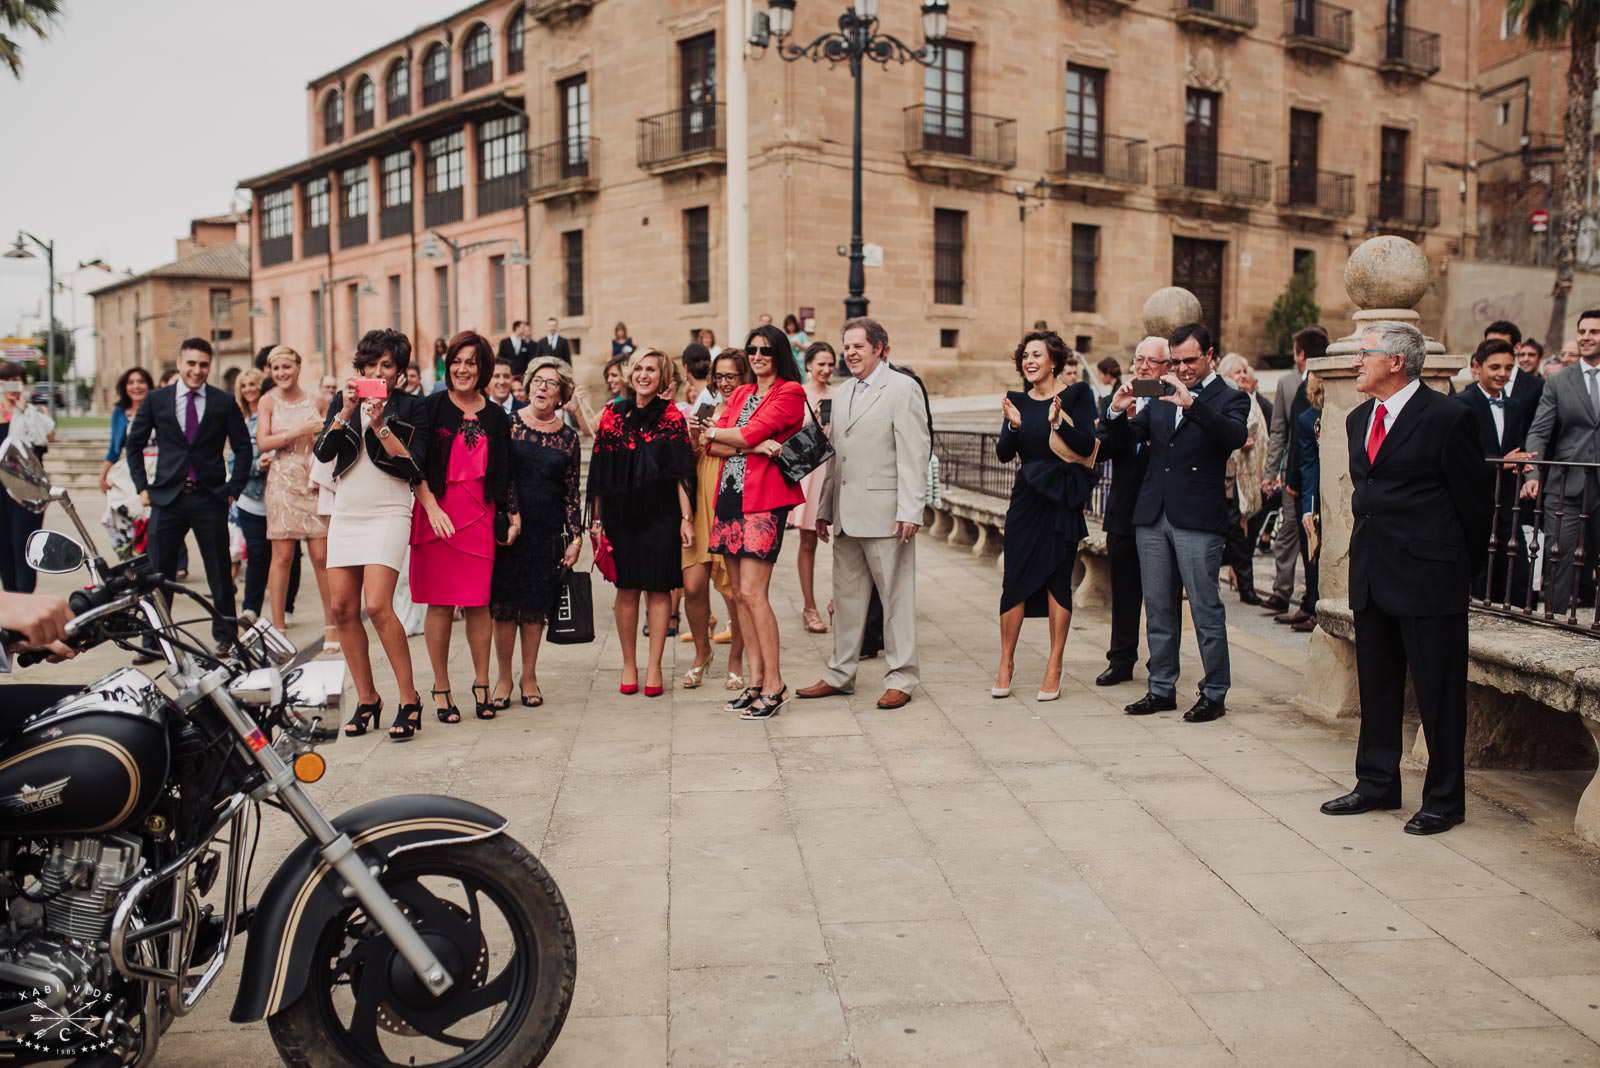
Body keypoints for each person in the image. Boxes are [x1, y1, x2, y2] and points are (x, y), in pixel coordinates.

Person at [1321, 321, 1490, 835]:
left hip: (1429, 578)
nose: (1356, 361)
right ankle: (1376, 783)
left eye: (1364, 353)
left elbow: (1474, 504)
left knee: (1438, 694)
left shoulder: (1448, 418)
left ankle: (1444, 799)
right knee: (1376, 686)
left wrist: (1459, 574)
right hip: (1373, 572)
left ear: (1396, 361)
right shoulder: (1357, 419)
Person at [1103, 322, 1250, 722]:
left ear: (1210, 355)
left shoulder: (1229, 396)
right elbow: (1128, 435)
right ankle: (1161, 688)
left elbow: (1234, 436)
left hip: (1198, 519)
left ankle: (1214, 692)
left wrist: (1191, 404)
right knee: (1159, 608)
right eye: (1177, 361)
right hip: (1152, 514)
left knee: (1205, 609)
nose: (1182, 368)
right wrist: (1116, 410)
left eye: (1190, 360)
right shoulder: (1159, 391)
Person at [797, 318, 931, 711]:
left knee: (896, 599)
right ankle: (840, 673)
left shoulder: (902, 389)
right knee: (847, 597)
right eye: (847, 346)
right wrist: (823, 508)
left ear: (880, 349)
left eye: (859, 346)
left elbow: (914, 452)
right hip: (845, 513)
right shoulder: (840, 395)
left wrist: (911, 509)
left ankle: (902, 677)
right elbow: (834, 456)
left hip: (888, 514)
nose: (851, 353)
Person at [315, 328, 429, 741]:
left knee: (379, 605)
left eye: (387, 365)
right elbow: (323, 454)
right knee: (343, 607)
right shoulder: (341, 401)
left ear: (399, 372)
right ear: (359, 367)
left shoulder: (413, 407)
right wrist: (346, 412)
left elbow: (414, 465)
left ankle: (409, 698)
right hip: (348, 509)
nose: (377, 371)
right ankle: (367, 699)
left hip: (389, 510)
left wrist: (380, 424)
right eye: (370, 364)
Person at [697, 323, 806, 719]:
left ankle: (775, 685)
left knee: (755, 593)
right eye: (752, 351)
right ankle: (756, 680)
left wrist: (741, 438)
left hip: (764, 501)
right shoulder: (742, 391)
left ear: (778, 354)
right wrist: (754, 443)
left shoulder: (790, 393)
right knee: (739, 594)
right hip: (729, 495)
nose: (758, 357)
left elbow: (741, 433)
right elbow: (711, 441)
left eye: (765, 350)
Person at [412, 332, 515, 725]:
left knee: (478, 603)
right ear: (448, 364)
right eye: (457, 360)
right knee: (439, 603)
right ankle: (440, 687)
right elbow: (415, 464)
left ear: (482, 368)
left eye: (471, 362)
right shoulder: (431, 406)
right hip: (437, 512)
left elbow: (505, 473)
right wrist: (433, 508)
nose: (463, 368)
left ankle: (482, 683)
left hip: (480, 516)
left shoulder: (496, 416)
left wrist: (512, 514)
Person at [124, 339, 251, 648]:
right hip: (168, 499)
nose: (197, 370)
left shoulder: (223, 402)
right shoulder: (157, 400)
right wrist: (142, 487)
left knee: (220, 575)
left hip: (210, 498)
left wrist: (233, 488)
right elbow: (135, 444)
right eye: (191, 363)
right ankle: (154, 641)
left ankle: (225, 637)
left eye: (203, 364)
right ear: (180, 363)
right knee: (157, 575)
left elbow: (243, 447)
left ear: (210, 366)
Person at [992, 331, 1097, 701]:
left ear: (1054, 360)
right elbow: (1004, 454)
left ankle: (1054, 664)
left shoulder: (1077, 395)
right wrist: (1014, 425)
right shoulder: (1016, 400)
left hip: (1061, 497)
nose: (1029, 360)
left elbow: (1086, 445)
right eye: (1025, 355)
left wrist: (1058, 423)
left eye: (1037, 354)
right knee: (1015, 578)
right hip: (1026, 498)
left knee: (1057, 579)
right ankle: (1006, 662)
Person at [588, 348, 697, 697]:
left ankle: (654, 667)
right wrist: (598, 519)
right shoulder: (612, 415)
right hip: (622, 512)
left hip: (662, 513)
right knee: (627, 588)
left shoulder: (673, 417)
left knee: (659, 587)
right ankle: (629, 664)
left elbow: (682, 472)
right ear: (629, 373)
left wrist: (686, 518)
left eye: (652, 369)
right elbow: (601, 470)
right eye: (639, 368)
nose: (644, 375)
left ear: (663, 377)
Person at [490, 357, 582, 709]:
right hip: (510, 530)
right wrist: (512, 514)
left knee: (533, 609)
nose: (543, 387)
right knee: (503, 608)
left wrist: (575, 537)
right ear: (527, 387)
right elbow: (502, 476)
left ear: (562, 395)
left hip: (546, 531)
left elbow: (572, 492)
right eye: (538, 381)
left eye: (551, 383)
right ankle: (503, 677)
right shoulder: (508, 425)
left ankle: (529, 676)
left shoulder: (568, 438)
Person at [1095, 338, 1165, 687]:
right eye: (1139, 359)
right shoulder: (1116, 399)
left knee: (1160, 594)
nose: (1144, 367)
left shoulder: (1171, 400)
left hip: (1160, 512)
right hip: (1124, 509)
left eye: (1153, 361)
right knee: (1122, 591)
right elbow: (1105, 449)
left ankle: (1161, 661)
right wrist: (1116, 413)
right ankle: (1120, 659)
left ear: (1167, 367)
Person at [1520, 309, 1600, 614]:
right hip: (1565, 485)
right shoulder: (1558, 382)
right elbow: (1538, 433)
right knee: (1559, 558)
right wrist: (1532, 474)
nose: (1586, 337)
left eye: (1594, 332)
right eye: (1582, 331)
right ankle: (1553, 621)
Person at [256, 345, 333, 646]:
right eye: (276, 369)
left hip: (312, 479)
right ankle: (278, 629)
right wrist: (298, 430)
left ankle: (332, 626)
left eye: (287, 367)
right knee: (282, 556)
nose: (282, 373)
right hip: (283, 481)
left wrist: (317, 436)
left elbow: (330, 435)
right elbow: (263, 441)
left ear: (298, 368)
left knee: (321, 555)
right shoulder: (267, 401)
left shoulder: (318, 399)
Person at [682, 349, 748, 690]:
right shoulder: (707, 407)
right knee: (692, 584)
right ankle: (702, 651)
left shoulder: (749, 409)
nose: (723, 383)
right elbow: (692, 457)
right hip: (701, 496)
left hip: (731, 498)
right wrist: (694, 436)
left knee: (736, 590)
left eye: (730, 376)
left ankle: (736, 657)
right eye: (719, 376)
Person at [1457, 340, 1534, 606]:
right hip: (1476, 499)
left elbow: (1515, 446)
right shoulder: (1461, 403)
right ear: (1477, 367)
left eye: (1508, 368)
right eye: (1496, 367)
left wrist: (1522, 461)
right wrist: (1501, 462)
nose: (1503, 373)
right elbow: (1460, 457)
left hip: (1508, 499)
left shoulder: (1515, 405)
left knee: (1516, 569)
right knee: (1480, 569)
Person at [1261, 327, 1321, 616]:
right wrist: (1272, 472)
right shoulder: (1287, 384)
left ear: (1302, 354)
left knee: (1312, 535)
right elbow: (1279, 431)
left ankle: (1312, 599)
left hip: (1309, 474)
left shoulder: (1328, 383)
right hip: (1292, 472)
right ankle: (1281, 591)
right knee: (1287, 531)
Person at [791, 341, 838, 633]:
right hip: (809, 471)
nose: (826, 369)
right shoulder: (797, 394)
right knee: (807, 542)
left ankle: (841, 601)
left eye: (830, 364)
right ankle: (809, 606)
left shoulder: (839, 395)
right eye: (820, 363)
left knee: (845, 544)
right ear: (808, 365)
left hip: (834, 470)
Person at [1216, 354, 1270, 606]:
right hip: (1222, 477)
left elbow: (1257, 436)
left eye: (1243, 372)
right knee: (1218, 533)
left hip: (1243, 479)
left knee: (1239, 536)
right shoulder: (1219, 399)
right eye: (1236, 372)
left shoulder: (1249, 400)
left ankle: (1246, 587)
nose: (1242, 376)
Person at [0, 362, 53, 593]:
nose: (11, 387)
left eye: (16, 381)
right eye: (5, 382)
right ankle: (12, 605)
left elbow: (43, 440)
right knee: (3, 548)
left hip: (27, 488)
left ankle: (26, 599)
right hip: (1, 490)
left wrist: (22, 409)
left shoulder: (35, 413)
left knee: (24, 545)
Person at [101, 366, 156, 560]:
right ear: (125, 388)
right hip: (127, 471)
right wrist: (103, 476)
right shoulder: (120, 413)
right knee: (114, 514)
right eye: (131, 382)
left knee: (149, 520)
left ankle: (151, 561)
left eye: (141, 382)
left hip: (156, 469)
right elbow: (114, 449)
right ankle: (130, 560)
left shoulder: (158, 408)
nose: (136, 386)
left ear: (149, 385)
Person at [232, 369, 271, 624]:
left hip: (278, 497)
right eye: (244, 385)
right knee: (257, 554)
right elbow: (234, 461)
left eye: (253, 384)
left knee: (278, 558)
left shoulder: (271, 417)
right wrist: (258, 466)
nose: (249, 389)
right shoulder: (240, 421)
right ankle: (250, 608)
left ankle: (284, 608)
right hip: (250, 498)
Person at [1290, 374, 1323, 633]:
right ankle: (1316, 605)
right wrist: (1309, 509)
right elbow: (1308, 466)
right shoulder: (1307, 420)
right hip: (1320, 497)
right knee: (1314, 553)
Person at [783, 313, 810, 378]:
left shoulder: (802, 335)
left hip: (800, 363)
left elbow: (808, 348)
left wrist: (798, 345)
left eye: (792, 324)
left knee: (801, 377)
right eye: (788, 325)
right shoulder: (784, 335)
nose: (791, 327)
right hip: (787, 362)